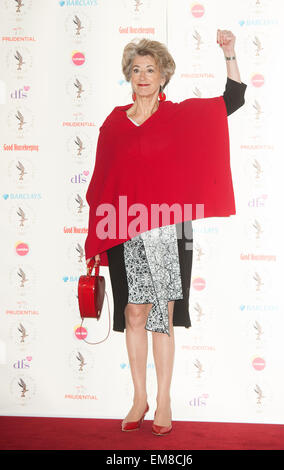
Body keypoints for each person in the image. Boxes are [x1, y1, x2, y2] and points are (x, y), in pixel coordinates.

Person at [85, 30, 247, 436]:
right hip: (125, 229)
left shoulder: (179, 116)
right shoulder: (114, 123)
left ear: (163, 76)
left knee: (162, 317)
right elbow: (102, 183)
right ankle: (138, 397)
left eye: (150, 70)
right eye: (136, 69)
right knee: (134, 313)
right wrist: (96, 239)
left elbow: (233, 99)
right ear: (129, 76)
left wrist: (229, 54)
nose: (143, 76)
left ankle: (164, 400)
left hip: (168, 230)